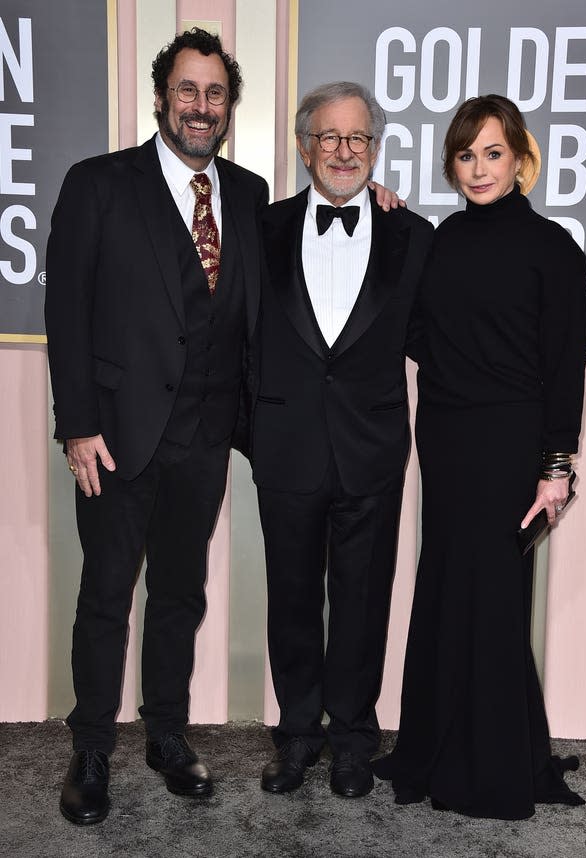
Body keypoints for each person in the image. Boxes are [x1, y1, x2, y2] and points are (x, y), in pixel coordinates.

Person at [45, 28, 268, 825]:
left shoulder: (247, 193)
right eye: (187, 90)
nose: (200, 107)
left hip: (205, 438)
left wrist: (380, 204)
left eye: (214, 93)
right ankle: (92, 749)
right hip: (115, 437)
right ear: (161, 97)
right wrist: (77, 425)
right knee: (106, 595)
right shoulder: (98, 184)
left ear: (228, 105)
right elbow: (65, 314)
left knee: (180, 592)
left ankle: (166, 735)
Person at [372, 95, 586, 820]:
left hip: (511, 445)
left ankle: (493, 769)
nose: (478, 168)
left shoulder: (554, 248)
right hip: (445, 436)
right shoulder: (441, 241)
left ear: (520, 157)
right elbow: (414, 329)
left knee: (493, 604)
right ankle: (433, 745)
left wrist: (556, 468)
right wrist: (394, 222)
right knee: (442, 588)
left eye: (492, 153)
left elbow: (564, 365)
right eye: (465, 155)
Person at [251, 82, 434, 798]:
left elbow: (438, 339)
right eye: (328, 137)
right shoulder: (259, 228)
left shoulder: (411, 234)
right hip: (286, 445)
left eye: (357, 138)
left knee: (364, 600)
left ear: (375, 148)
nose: (343, 151)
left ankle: (355, 736)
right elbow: (234, 337)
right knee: (291, 598)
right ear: (303, 146)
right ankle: (297, 734)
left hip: (373, 448)